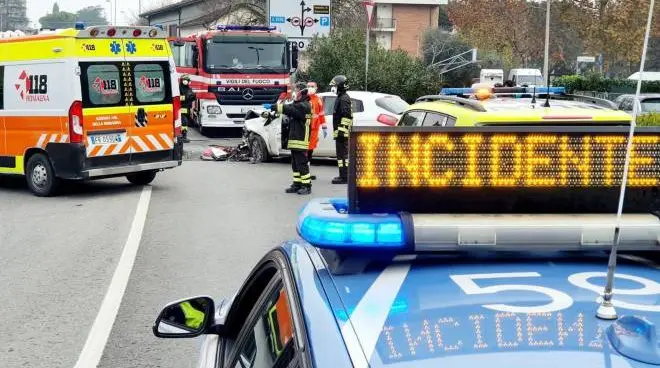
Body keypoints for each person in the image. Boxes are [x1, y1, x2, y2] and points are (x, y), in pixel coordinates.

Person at [270, 82, 313, 195]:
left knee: (302, 163)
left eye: (297, 89)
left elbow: (290, 109)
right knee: (295, 164)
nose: (295, 92)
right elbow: (289, 110)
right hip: (295, 139)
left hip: (300, 140)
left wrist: (275, 106)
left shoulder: (304, 105)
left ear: (302, 92)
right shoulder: (299, 104)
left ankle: (306, 186)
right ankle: (297, 184)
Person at [329, 75, 352, 184]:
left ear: (340, 86)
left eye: (334, 85)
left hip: (342, 134)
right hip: (340, 133)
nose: (332, 88)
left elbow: (346, 116)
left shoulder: (343, 99)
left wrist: (342, 132)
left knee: (343, 156)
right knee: (341, 156)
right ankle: (342, 175)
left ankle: (345, 176)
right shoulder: (341, 97)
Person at [306, 81, 326, 181]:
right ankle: (305, 172)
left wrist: (324, 126)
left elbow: (321, 113)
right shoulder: (304, 98)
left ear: (316, 88)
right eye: (308, 86)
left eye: (312, 86)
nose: (310, 88)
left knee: (310, 151)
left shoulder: (318, 100)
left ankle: (307, 172)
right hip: (305, 129)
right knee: (305, 152)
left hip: (314, 129)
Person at [179, 74, 195, 143]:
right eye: (187, 80)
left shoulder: (188, 88)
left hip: (187, 108)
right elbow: (177, 98)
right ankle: (183, 136)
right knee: (184, 122)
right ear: (183, 80)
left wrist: (193, 96)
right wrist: (186, 97)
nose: (188, 81)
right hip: (182, 108)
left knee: (186, 123)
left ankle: (183, 136)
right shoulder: (179, 88)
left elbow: (191, 97)